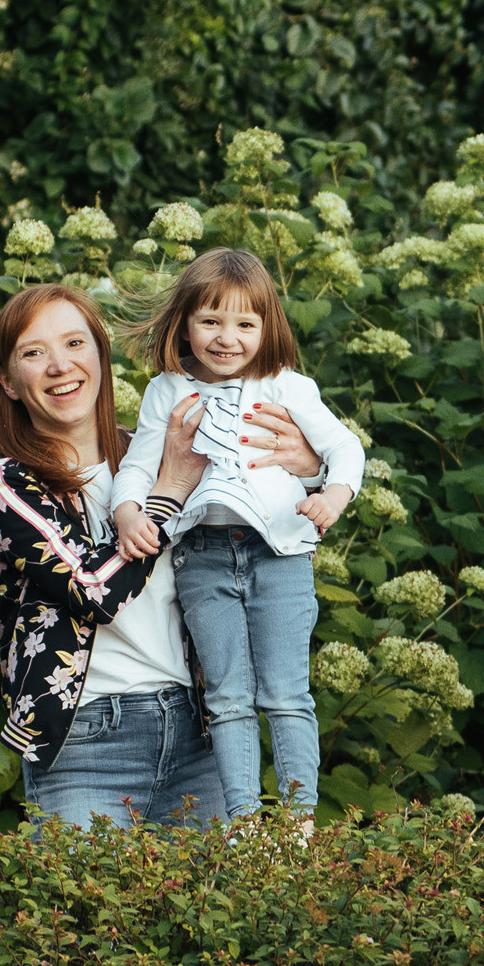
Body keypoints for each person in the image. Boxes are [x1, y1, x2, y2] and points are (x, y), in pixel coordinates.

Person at [0, 282, 327, 828]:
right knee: (90, 915)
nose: (60, 366)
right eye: (33, 353)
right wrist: (170, 493)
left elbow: (266, 530)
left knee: (227, 910)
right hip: (86, 747)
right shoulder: (7, 484)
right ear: (8, 381)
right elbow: (96, 592)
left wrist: (310, 466)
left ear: (100, 356)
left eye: (75, 343)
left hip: (200, 735)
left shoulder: (154, 449)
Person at [109, 248, 364, 820]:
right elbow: (137, 464)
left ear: (267, 328)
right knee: (226, 698)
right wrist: (128, 510)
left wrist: (333, 495)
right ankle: (244, 823)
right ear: (185, 324)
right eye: (211, 321)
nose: (227, 338)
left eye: (245, 324)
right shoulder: (166, 391)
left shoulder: (286, 385)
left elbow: (344, 447)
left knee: (286, 694)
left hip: (279, 552)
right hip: (200, 556)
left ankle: (298, 821)